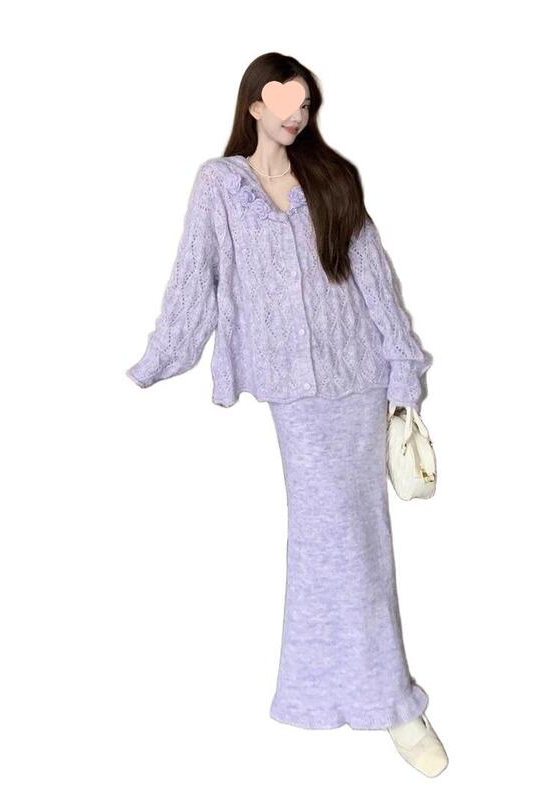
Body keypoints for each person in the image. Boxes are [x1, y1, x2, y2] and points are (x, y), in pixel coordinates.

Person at [125, 52, 447, 778]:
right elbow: (194, 278)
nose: (296, 116)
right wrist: (154, 361)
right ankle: (355, 697)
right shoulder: (221, 185)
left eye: (305, 106)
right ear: (254, 105)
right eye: (285, 103)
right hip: (294, 395)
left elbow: (375, 278)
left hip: (358, 379)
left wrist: (403, 368)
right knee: (332, 543)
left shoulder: (332, 180)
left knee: (354, 543)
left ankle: (383, 703)